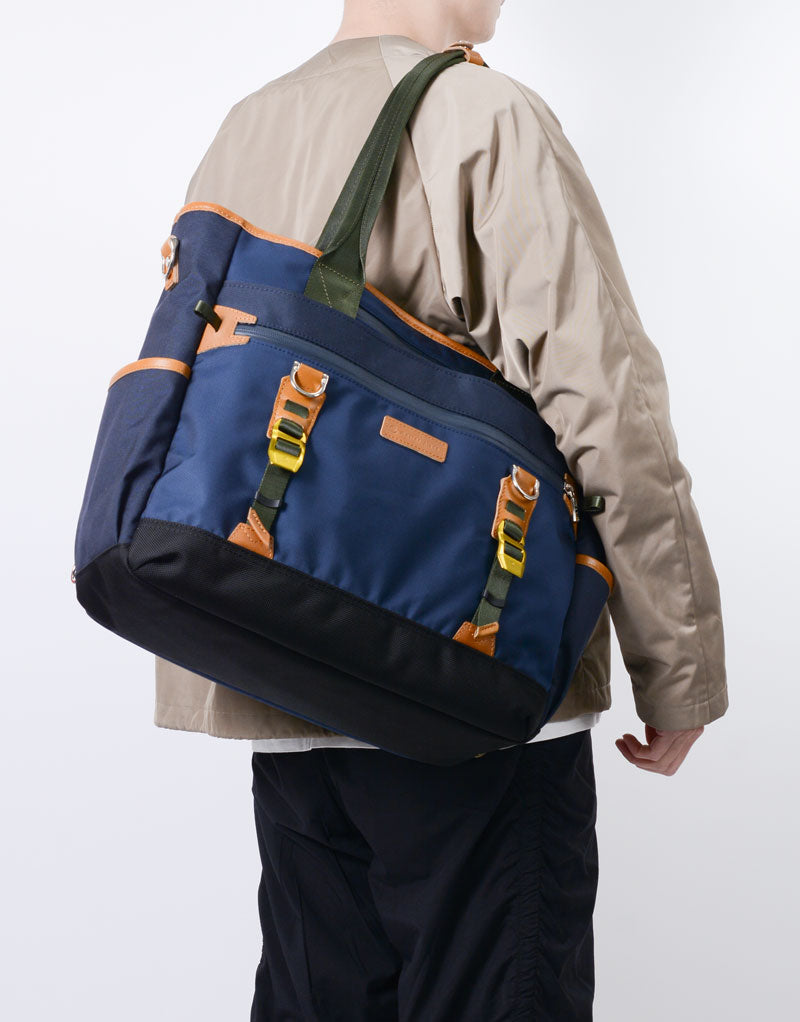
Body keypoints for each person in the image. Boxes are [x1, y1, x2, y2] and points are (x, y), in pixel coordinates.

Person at [153, 1, 729, 1018]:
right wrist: (676, 664)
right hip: (467, 683)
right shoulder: (481, 117)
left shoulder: (248, 124)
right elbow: (606, 403)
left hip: (277, 666)